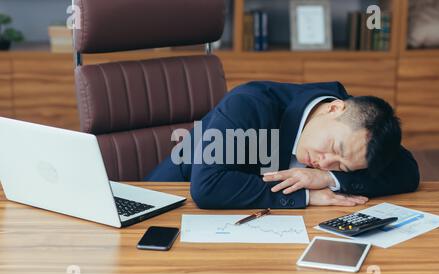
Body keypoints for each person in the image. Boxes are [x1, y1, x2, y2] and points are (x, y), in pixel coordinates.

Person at [145, 81, 420, 209]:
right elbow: (207, 188)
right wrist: (308, 196)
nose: (325, 160)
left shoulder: (361, 126)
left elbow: (408, 172)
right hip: (167, 206)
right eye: (333, 148)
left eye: (340, 164)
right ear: (334, 108)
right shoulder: (248, 104)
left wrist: (327, 177)